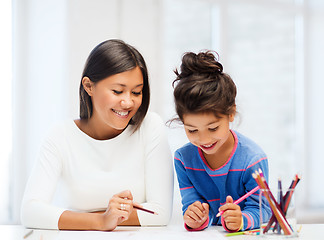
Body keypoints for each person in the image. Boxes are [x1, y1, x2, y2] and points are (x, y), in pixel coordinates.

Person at [21, 39, 174, 231]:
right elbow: (30, 211)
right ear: (89, 86)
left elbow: (159, 213)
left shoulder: (150, 127)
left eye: (136, 92)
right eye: (118, 91)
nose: (128, 102)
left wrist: (78, 218)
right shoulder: (60, 135)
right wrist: (101, 220)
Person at [172, 51, 271, 232]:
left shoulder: (252, 159)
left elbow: (263, 210)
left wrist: (241, 219)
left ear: (231, 113)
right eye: (192, 130)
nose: (204, 139)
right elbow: (191, 206)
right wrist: (196, 217)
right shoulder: (183, 159)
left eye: (213, 128)